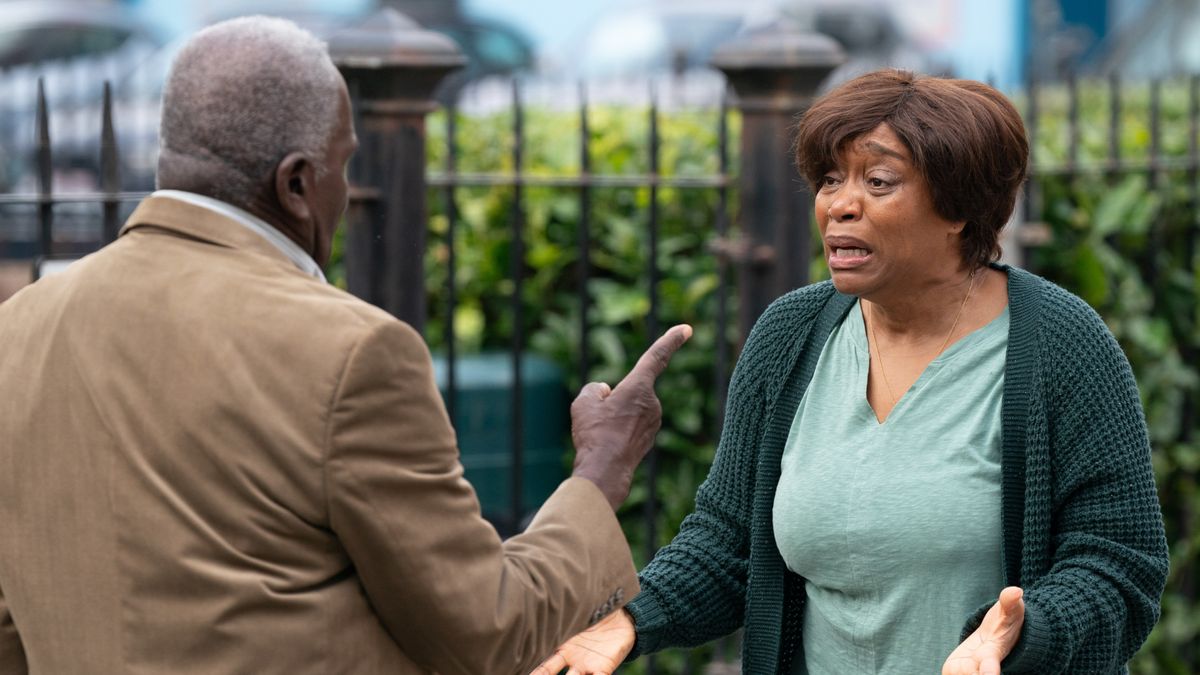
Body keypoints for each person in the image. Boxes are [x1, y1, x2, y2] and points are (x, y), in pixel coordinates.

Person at [0, 16, 691, 675]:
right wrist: (599, 470)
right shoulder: (350, 350)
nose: (349, 189)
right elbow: (488, 628)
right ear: (297, 183)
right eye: (344, 164)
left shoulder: (18, 328)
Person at [534, 69, 1169, 674]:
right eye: (831, 179)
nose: (840, 205)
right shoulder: (791, 336)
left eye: (880, 182)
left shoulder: (1061, 344)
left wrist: (1027, 633)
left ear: (958, 208)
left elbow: (1119, 566)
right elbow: (729, 545)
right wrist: (631, 616)